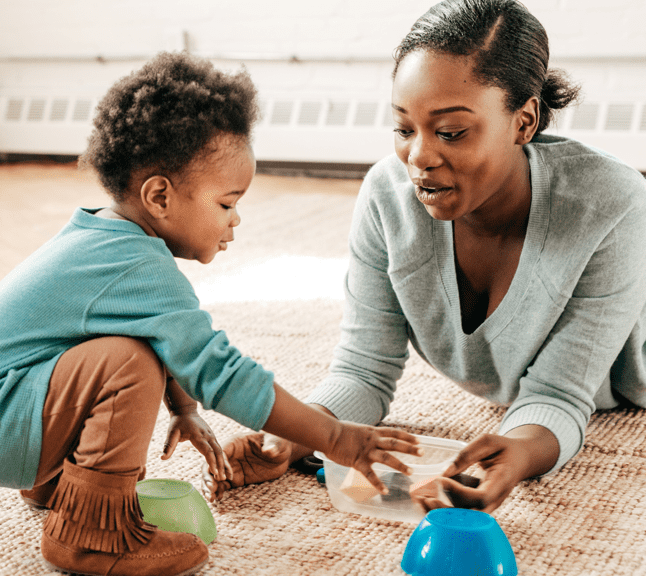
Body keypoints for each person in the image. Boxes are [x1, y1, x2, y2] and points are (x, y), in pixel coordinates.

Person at [0, 52, 420, 576]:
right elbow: (221, 372)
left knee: (128, 350)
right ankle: (91, 539)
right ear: (160, 196)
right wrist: (336, 437)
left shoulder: (107, 238)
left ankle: (63, 488)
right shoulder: (136, 266)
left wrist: (183, 409)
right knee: (126, 364)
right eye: (227, 203)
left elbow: (159, 336)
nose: (236, 220)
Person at [206, 0, 646, 514]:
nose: (419, 158)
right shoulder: (388, 199)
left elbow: (560, 392)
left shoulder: (611, 203)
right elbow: (364, 370)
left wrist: (524, 452)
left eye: (451, 132)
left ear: (524, 122)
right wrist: (296, 436)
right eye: (403, 128)